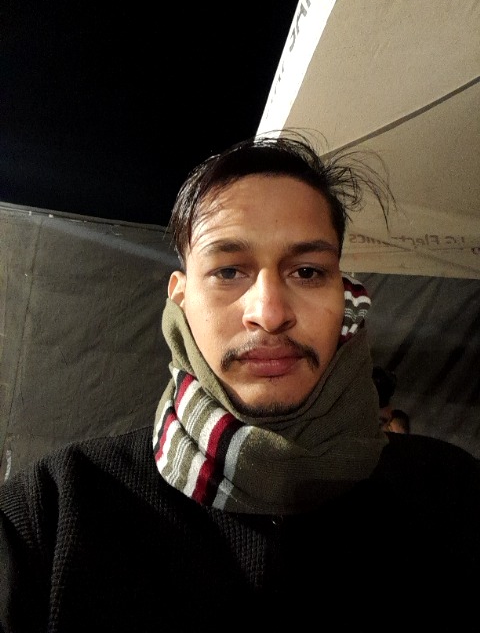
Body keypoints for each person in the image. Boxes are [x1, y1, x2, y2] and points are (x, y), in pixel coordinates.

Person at [1, 131, 479, 632]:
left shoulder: (451, 495)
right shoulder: (52, 512)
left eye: (307, 272)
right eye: (229, 271)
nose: (268, 314)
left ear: (346, 296)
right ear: (180, 296)